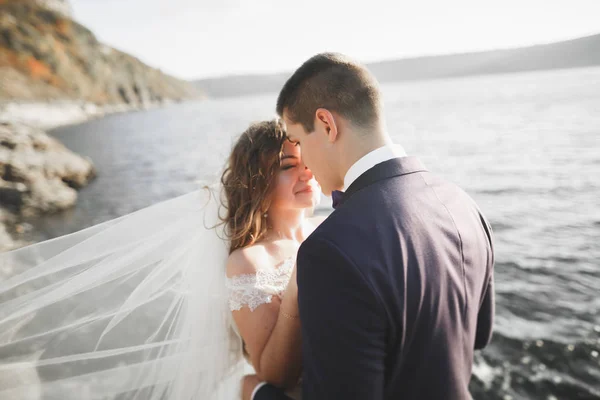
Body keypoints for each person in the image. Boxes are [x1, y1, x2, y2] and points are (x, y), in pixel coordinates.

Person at [0, 119, 319, 400]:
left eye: (309, 160)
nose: (306, 172)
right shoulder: (250, 262)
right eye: (288, 165)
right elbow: (276, 377)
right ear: (258, 183)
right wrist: (295, 291)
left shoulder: (324, 232)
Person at [248, 53, 495, 400]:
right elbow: (477, 335)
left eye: (299, 142)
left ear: (326, 124)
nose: (303, 159)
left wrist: (256, 392)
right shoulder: (465, 205)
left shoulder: (329, 251)